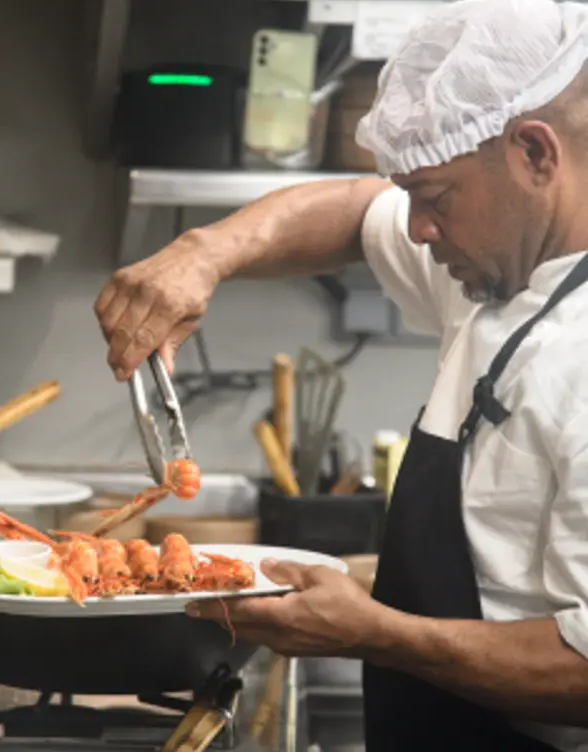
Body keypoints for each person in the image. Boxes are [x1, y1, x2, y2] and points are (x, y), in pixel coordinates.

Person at [95, 0, 588, 749]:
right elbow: (358, 211)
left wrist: (373, 633)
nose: (418, 229)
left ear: (535, 154)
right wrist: (206, 253)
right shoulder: (497, 258)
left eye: (435, 197)